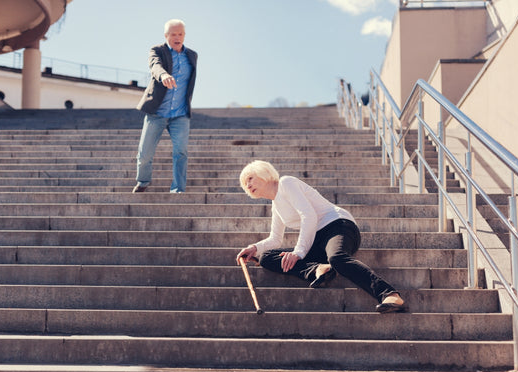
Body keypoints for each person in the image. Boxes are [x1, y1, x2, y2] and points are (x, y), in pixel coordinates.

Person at [235, 160, 406, 313]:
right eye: (244, 183)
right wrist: (254, 248)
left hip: (338, 226)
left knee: (337, 258)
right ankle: (318, 269)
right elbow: (275, 239)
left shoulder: (286, 183)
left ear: (263, 172)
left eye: (250, 178)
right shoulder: (276, 205)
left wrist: (299, 252)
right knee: (266, 257)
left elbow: (308, 216)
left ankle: (389, 294)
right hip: (316, 240)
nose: (247, 185)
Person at [133, 19, 198, 193]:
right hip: (157, 113)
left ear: (184, 35)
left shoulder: (192, 55)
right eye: (173, 34)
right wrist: (163, 76)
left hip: (180, 114)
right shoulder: (157, 50)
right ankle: (143, 181)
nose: (177, 37)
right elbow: (155, 65)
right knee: (145, 153)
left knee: (181, 152)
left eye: (180, 34)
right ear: (166, 35)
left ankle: (178, 189)